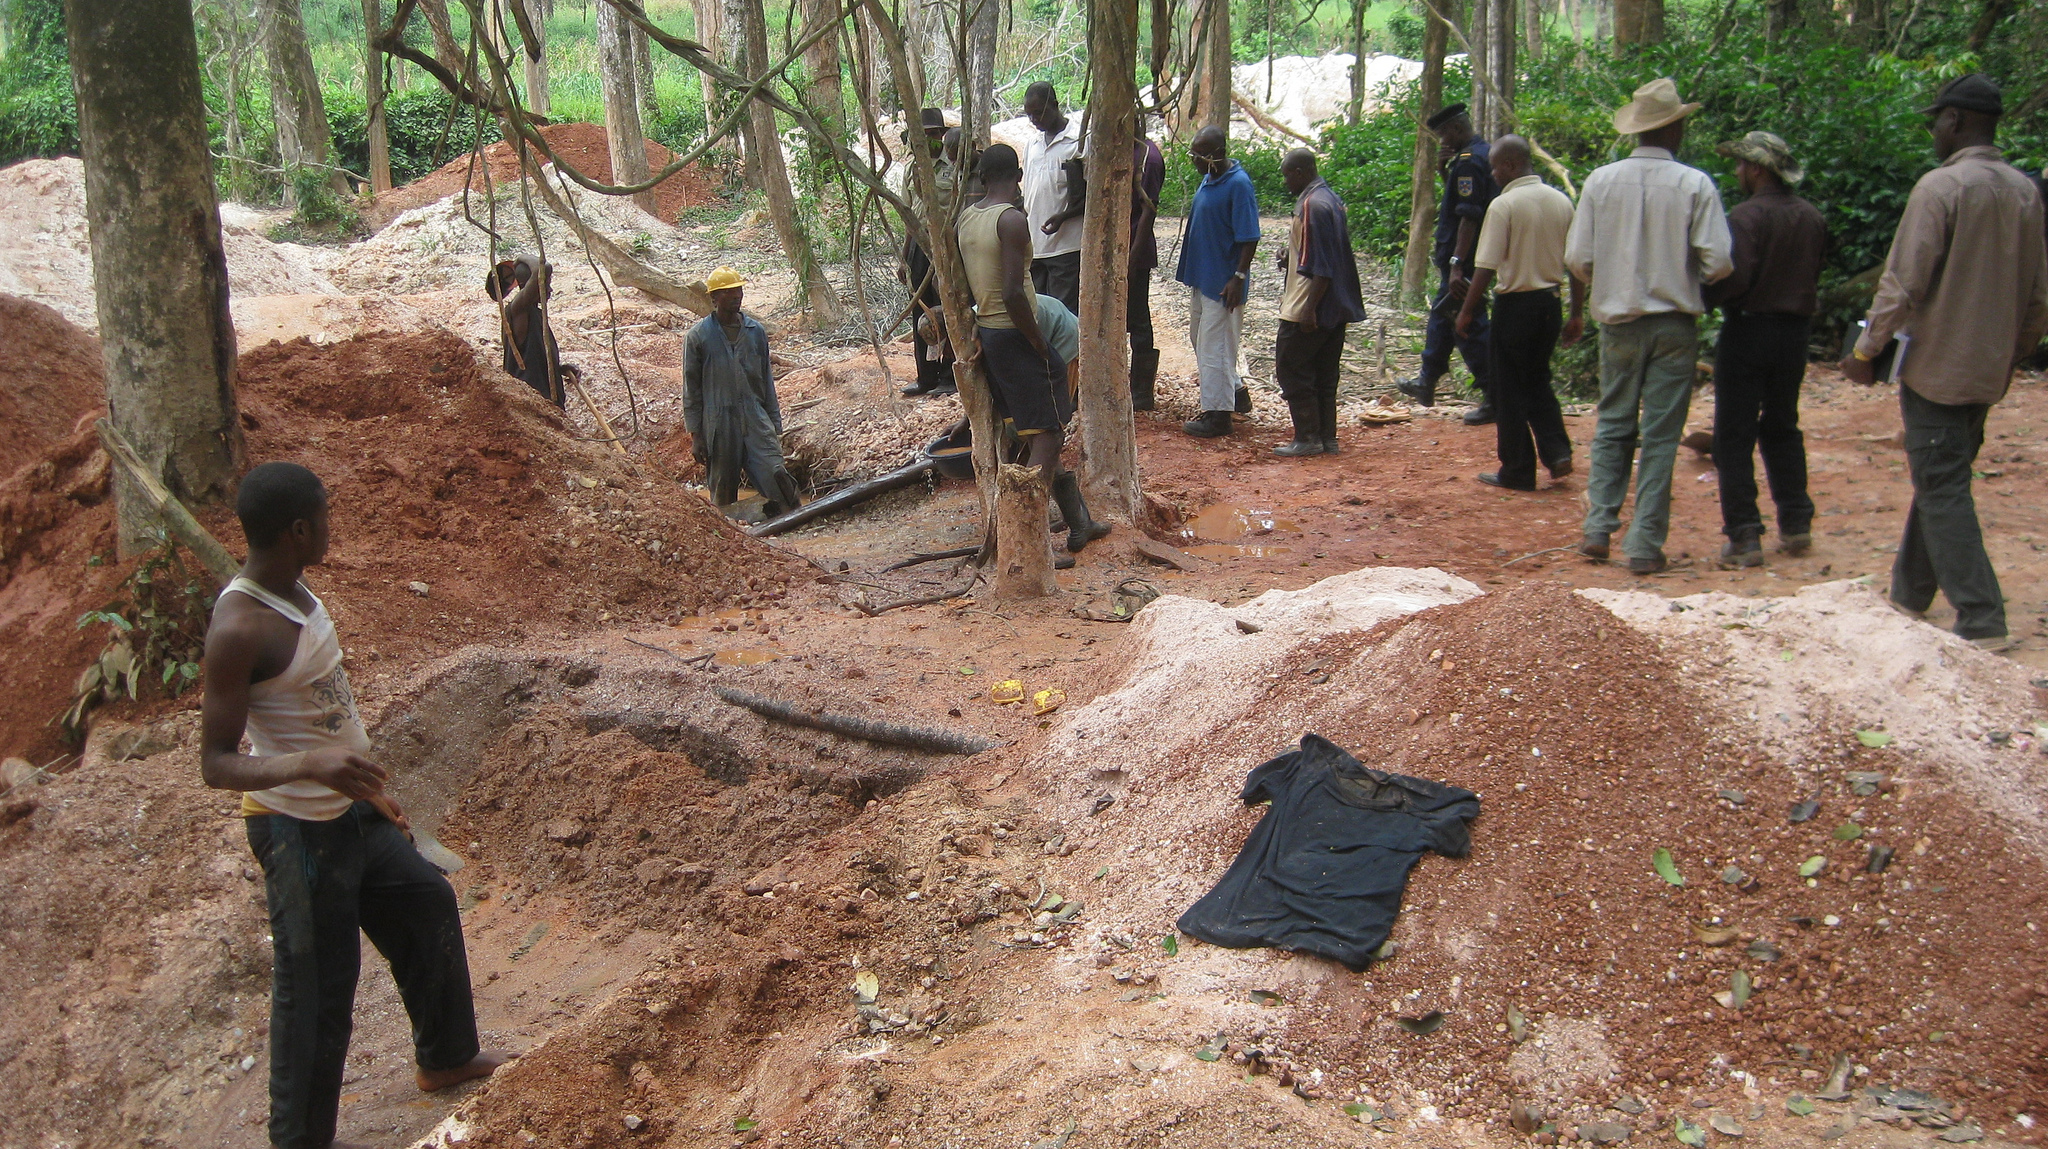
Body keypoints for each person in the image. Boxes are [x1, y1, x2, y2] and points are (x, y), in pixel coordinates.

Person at [201, 462, 509, 1149]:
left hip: (349, 808)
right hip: (295, 828)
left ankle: (446, 1055)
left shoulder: (295, 589)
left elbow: (321, 707)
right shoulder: (239, 627)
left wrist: (371, 789)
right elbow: (215, 762)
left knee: (425, 899)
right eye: (327, 516)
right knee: (315, 990)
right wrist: (310, 764)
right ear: (299, 530)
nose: (335, 526)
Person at [1840, 74, 2048, 653]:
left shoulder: (1941, 187)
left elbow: (1903, 280)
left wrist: (1865, 350)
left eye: (1936, 120)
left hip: (1937, 367)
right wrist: (2015, 353)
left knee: (1942, 484)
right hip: (1988, 368)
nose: (1933, 130)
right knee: (1942, 477)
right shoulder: (2025, 192)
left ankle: (1982, 616)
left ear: (1955, 120)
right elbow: (2038, 295)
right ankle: (1909, 592)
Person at [1565, 78, 1733, 573]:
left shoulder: (1601, 181)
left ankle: (1598, 526)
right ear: (1676, 126)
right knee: (1661, 433)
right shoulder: (1695, 184)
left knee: (1614, 423)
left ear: (1638, 129)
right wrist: (1687, 277)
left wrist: (1610, 281)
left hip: (1618, 323)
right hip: (1675, 323)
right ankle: (1644, 543)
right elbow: (1719, 261)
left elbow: (1578, 257)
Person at [958, 144, 1110, 553]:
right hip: (1017, 331)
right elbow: (1011, 292)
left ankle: (1079, 524)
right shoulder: (1011, 220)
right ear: (1019, 175)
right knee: (1048, 437)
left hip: (993, 334)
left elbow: (974, 287)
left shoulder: (967, 219)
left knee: (1036, 434)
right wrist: (1038, 343)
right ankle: (1025, 545)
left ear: (982, 177)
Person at [1702, 130, 1827, 568]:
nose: (1737, 172)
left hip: (1749, 330)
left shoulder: (1745, 217)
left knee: (1733, 434)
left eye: (1740, 165)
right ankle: (1795, 523)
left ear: (1756, 169)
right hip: (1795, 334)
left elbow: (1736, 279)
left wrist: (1706, 301)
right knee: (1782, 424)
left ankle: (1744, 534)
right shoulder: (1811, 217)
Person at [1455, 135, 1581, 489]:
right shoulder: (1561, 202)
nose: (1492, 173)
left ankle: (1517, 469)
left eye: (1495, 166)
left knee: (1507, 387)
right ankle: (1557, 452)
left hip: (1516, 305)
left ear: (1510, 164)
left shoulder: (1504, 205)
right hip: (1550, 304)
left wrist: (1466, 312)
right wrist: (1576, 312)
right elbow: (1577, 265)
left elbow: (1485, 266)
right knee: (1538, 378)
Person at [1398, 104, 1498, 425]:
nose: (1442, 140)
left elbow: (1469, 216)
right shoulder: (1479, 155)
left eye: (1443, 135)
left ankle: (1495, 395)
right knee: (1443, 317)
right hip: (1466, 259)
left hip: (1464, 263)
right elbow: (1461, 202)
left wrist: (1457, 263)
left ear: (1455, 129)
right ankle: (1427, 382)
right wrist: (1444, 171)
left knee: (1466, 324)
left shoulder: (1469, 162)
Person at [684, 267, 804, 520]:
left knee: (777, 477)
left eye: (738, 290)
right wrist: (696, 435)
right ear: (714, 298)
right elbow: (691, 389)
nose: (737, 296)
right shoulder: (698, 337)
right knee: (723, 492)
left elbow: (766, 381)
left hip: (755, 418)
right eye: (729, 292)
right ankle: (733, 537)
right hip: (718, 422)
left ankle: (788, 527)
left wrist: (774, 423)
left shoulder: (755, 332)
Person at [1271, 148, 1366, 457]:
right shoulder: (1332, 200)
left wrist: (1310, 308)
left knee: (1291, 367)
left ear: (1300, 172)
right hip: (1337, 305)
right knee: (1325, 373)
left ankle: (1307, 436)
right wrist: (1292, 257)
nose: (1285, 182)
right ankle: (1328, 438)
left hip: (1308, 304)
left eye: (1286, 175)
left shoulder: (1312, 205)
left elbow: (1322, 266)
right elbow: (1321, 251)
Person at [1176, 125, 1261, 438]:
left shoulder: (1238, 184)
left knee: (1216, 346)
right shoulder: (1209, 178)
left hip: (1223, 281)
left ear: (1215, 155)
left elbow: (1249, 236)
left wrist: (1238, 276)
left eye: (1197, 155)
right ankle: (1235, 392)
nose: (1193, 160)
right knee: (1201, 339)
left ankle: (1218, 414)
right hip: (1203, 275)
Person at [900, 108, 957, 398]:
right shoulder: (911, 170)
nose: (929, 140)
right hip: (919, 248)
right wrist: (904, 257)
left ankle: (950, 374)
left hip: (946, 247)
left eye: (933, 134)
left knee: (947, 309)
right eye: (922, 135)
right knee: (920, 310)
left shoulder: (954, 165)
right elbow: (909, 214)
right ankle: (926, 376)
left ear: (942, 135)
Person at [1022, 82, 1086, 315]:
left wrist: (1063, 217)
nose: (1034, 119)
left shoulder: (1078, 140)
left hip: (1066, 247)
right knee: (1039, 313)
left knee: (1064, 313)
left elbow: (1088, 195)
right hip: (1035, 248)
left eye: (1038, 112)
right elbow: (1028, 192)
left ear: (1055, 106)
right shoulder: (1033, 144)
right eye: (1029, 114)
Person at [486, 254, 573, 407]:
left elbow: (532, 358)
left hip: (545, 405)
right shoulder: (517, 311)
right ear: (531, 285)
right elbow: (544, 268)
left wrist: (557, 368)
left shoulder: (533, 313)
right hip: (531, 405)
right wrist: (520, 258)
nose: (550, 289)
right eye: (545, 284)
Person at [1129, 127, 1167, 411]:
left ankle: (1141, 391)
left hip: (1134, 248)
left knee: (1138, 317)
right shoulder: (1121, 150)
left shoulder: (1148, 158)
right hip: (1115, 247)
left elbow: (1148, 210)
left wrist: (1134, 256)